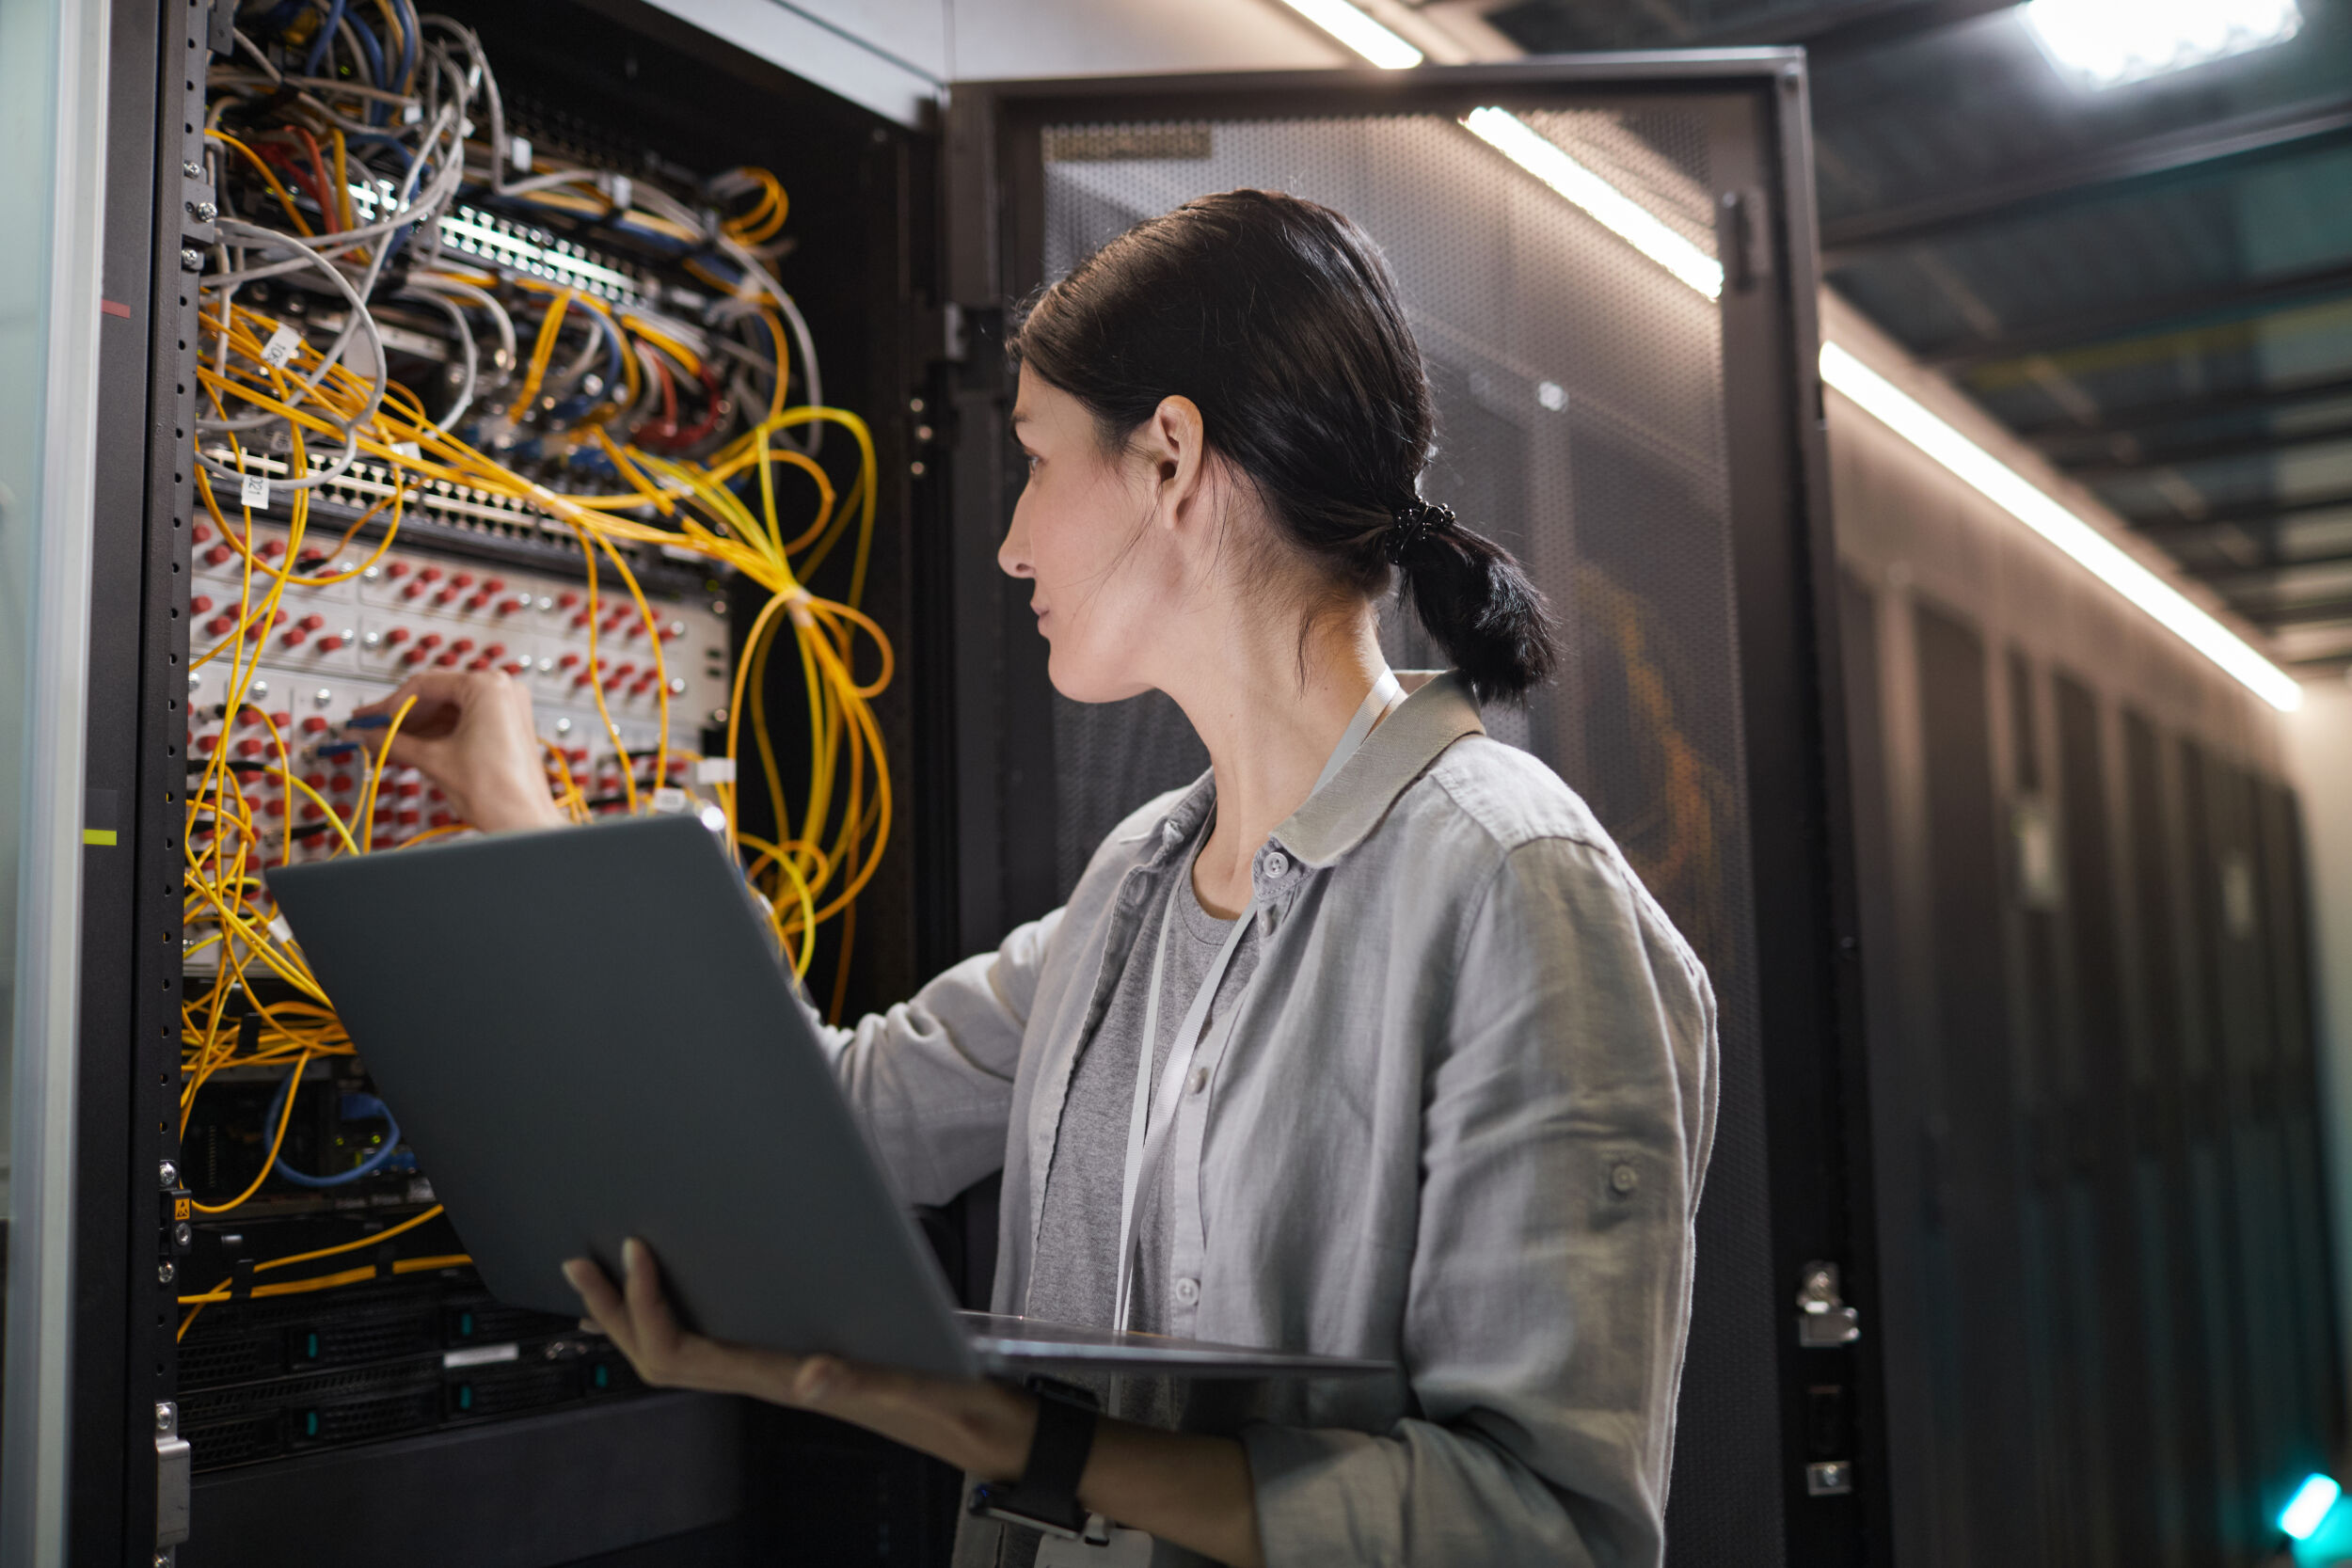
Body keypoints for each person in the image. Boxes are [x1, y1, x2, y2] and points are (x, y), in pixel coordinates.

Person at [357, 189, 1718, 1568]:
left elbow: (1549, 1532)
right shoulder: (1140, 885)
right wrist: (536, 831)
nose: (1011, 541)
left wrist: (1020, 1442)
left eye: (1034, 458)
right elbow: (840, 1122)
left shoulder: (1518, 891)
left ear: (1170, 455)